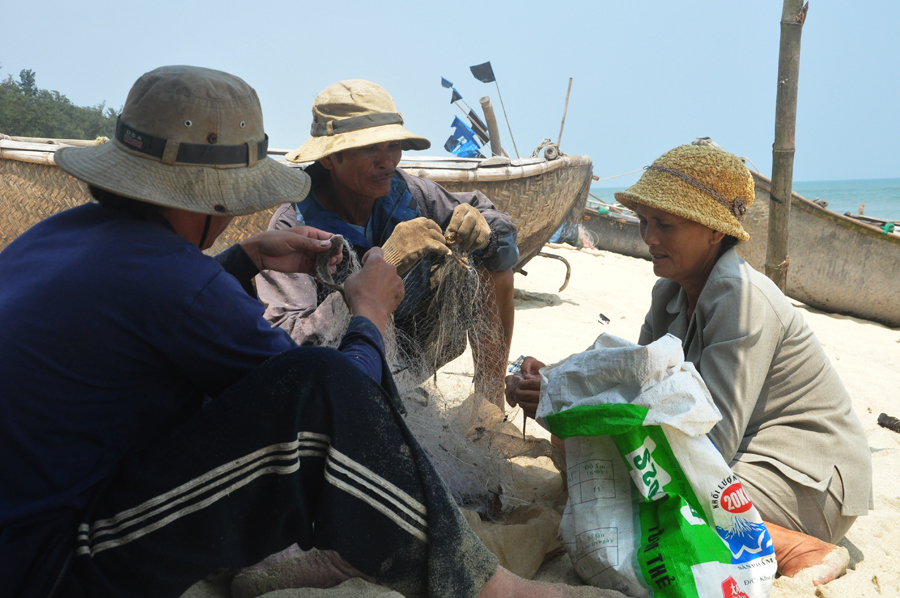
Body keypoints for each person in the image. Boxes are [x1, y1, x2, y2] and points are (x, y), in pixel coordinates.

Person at [0, 65, 624, 598]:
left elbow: (167, 307)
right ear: (217, 195)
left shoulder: (53, 237)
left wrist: (242, 258)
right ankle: (480, 582)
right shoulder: (189, 279)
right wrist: (369, 314)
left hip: (40, 512)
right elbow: (326, 404)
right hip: (47, 564)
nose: (389, 161)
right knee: (320, 387)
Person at [506, 145, 873, 586]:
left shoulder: (741, 299)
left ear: (714, 232)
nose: (649, 237)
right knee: (601, 456)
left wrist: (579, 413)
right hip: (752, 459)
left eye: (665, 225)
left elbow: (712, 441)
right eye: (644, 222)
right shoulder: (671, 295)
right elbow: (636, 393)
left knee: (649, 486)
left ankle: (799, 547)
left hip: (808, 480)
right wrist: (557, 391)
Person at [256, 80, 518, 404]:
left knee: (496, 257)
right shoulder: (294, 224)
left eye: (393, 145)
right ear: (329, 158)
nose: (387, 161)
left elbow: (499, 230)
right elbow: (284, 340)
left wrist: (480, 224)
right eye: (370, 149)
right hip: (341, 369)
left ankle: (488, 405)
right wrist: (390, 259)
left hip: (415, 345)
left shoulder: (406, 192)